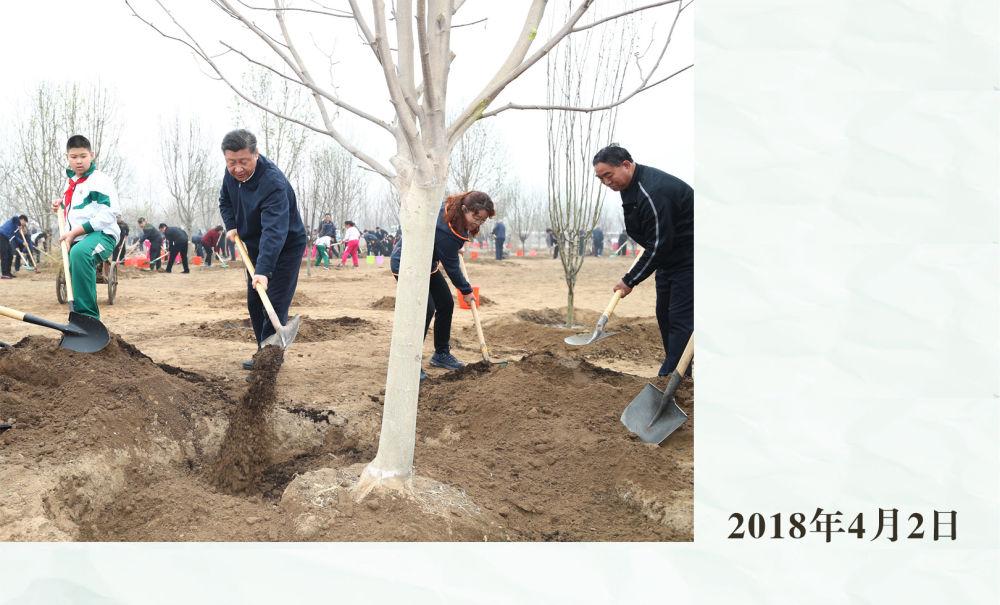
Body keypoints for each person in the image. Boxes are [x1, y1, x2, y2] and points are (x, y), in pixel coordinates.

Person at [593, 144, 693, 377]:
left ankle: (671, 377)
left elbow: (659, 245)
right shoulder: (630, 187)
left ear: (626, 165)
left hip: (691, 258)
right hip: (669, 260)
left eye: (608, 175)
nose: (606, 182)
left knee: (679, 319)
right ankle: (681, 374)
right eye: (601, 179)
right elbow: (653, 240)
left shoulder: (654, 191)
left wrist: (630, 280)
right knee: (664, 315)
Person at [218, 129, 307, 370]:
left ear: (256, 154)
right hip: (256, 245)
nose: (237, 168)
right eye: (231, 162)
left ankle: (268, 364)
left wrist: (264, 270)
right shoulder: (231, 175)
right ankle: (263, 352)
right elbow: (225, 200)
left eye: (243, 161)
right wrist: (231, 225)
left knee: (274, 301)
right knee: (255, 303)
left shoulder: (272, 183)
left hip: (285, 246)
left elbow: (274, 231)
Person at [390, 191, 495, 380]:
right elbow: (452, 267)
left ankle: (441, 354)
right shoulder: (446, 230)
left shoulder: (452, 211)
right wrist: (466, 291)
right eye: (476, 217)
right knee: (426, 309)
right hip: (407, 265)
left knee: (446, 303)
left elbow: (444, 245)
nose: (477, 223)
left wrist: (454, 247)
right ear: (464, 209)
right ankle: (409, 362)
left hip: (426, 265)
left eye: (482, 220)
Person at [49, 135, 120, 319]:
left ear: (92, 155)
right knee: (74, 262)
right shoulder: (70, 182)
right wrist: (61, 205)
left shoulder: (101, 180)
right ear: (67, 157)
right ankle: (79, 320)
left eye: (83, 156)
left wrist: (74, 233)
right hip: (78, 237)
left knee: (80, 254)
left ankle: (89, 319)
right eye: (74, 157)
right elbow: (77, 211)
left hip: (102, 234)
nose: (79, 161)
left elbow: (109, 213)